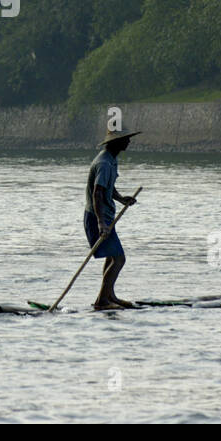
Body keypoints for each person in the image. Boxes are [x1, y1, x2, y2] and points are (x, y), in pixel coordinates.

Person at [84, 129, 140, 309]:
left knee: (112, 257)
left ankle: (108, 295)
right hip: (97, 217)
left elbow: (108, 188)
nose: (128, 142)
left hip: (105, 215)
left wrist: (122, 199)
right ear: (116, 143)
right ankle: (102, 301)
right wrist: (101, 223)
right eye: (125, 140)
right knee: (119, 259)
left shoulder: (110, 160)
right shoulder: (104, 163)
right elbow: (97, 192)